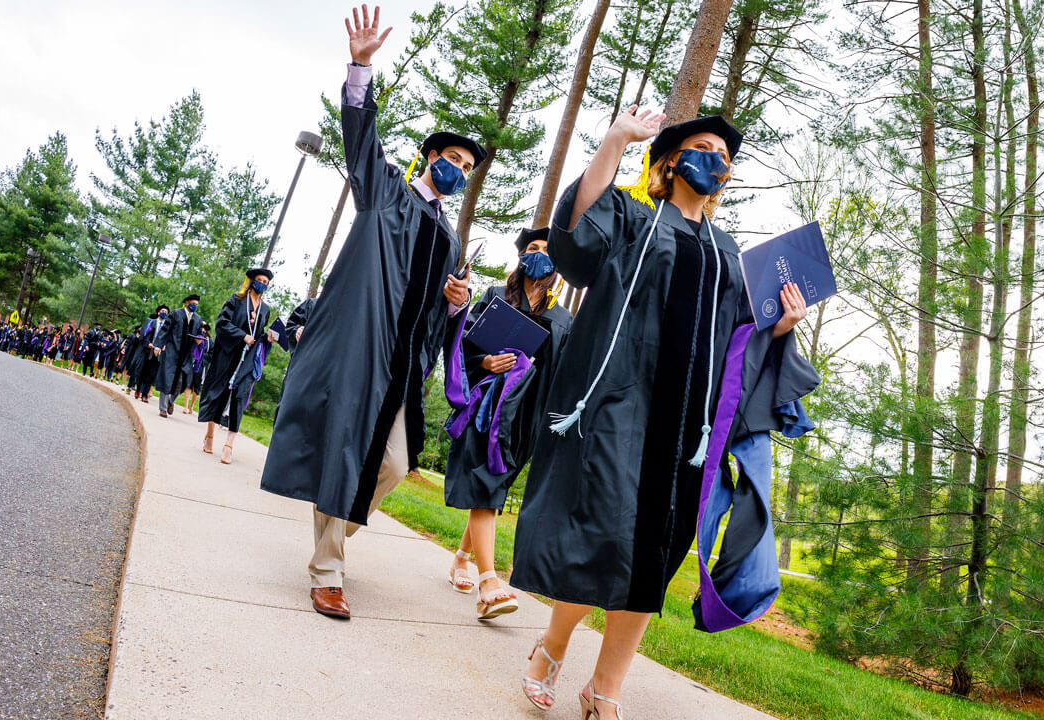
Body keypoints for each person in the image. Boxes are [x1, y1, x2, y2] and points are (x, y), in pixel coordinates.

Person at [509, 110, 820, 719]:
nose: (715, 161)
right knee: (600, 539)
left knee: (653, 554)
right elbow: (575, 244)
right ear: (672, 160)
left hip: (688, 430)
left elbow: (739, 343)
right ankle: (552, 646)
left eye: (724, 156)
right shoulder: (633, 221)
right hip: (618, 412)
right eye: (702, 149)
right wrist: (617, 140)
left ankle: (606, 690)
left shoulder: (731, 256)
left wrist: (779, 326)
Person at [259, 4, 475, 621]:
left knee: (396, 465)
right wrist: (360, 69)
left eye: (465, 167)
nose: (456, 170)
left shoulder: (450, 238)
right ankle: (328, 569)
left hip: (406, 361)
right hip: (364, 345)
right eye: (450, 159)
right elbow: (362, 139)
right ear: (426, 157)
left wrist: (450, 302)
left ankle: (332, 530)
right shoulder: (386, 191)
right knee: (348, 451)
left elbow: (431, 309)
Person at [441, 227, 572, 621]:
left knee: (493, 490)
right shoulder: (497, 299)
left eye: (547, 251)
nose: (539, 255)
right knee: (485, 485)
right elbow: (461, 341)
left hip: (527, 417)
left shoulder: (562, 318)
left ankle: (462, 556)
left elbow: (564, 374)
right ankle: (489, 584)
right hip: (489, 409)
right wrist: (485, 362)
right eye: (532, 248)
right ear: (520, 257)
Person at [198, 269, 276, 463]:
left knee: (240, 396)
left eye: (266, 282)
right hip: (227, 353)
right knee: (218, 392)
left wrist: (267, 337)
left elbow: (258, 333)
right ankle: (209, 435)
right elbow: (222, 323)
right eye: (259, 280)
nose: (262, 284)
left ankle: (229, 445)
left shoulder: (265, 309)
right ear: (252, 281)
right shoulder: (237, 300)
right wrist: (242, 335)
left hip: (247, 358)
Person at [154, 293, 203, 417]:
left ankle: (171, 400)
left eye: (196, 305)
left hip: (186, 355)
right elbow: (165, 330)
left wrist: (199, 340)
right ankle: (163, 408)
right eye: (193, 304)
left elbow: (198, 336)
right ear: (186, 303)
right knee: (167, 378)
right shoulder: (176, 314)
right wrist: (158, 345)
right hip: (172, 350)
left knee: (182, 382)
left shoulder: (198, 319)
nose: (194, 306)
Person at [136, 306, 168, 402]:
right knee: (142, 372)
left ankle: (145, 395)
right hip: (147, 351)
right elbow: (144, 335)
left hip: (158, 353)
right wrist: (148, 344)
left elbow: (167, 339)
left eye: (166, 312)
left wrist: (164, 346)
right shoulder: (151, 322)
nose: (164, 313)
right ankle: (138, 389)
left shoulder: (167, 326)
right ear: (158, 312)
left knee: (152, 374)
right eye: (162, 311)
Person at [182, 321, 211, 414]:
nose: (202, 329)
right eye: (201, 327)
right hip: (191, 364)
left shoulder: (210, 341)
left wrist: (202, 357)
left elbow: (211, 355)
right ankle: (186, 406)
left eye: (204, 328)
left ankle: (191, 407)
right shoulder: (194, 337)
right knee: (188, 384)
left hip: (201, 367)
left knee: (196, 388)